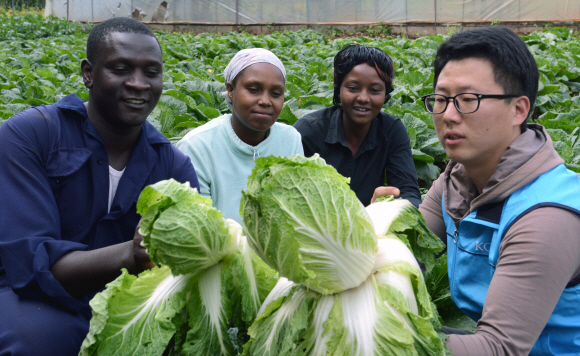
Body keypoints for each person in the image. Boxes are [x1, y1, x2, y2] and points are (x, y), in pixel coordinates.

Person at [373, 27, 580, 355]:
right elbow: (405, 248)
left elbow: (499, 348)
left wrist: (362, 339)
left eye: (468, 100)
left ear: (519, 109)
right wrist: (377, 229)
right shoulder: (455, 179)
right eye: (440, 100)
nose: (449, 115)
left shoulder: (547, 217)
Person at [0, 18, 199, 355]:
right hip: (25, 296)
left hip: (130, 302)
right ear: (88, 73)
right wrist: (132, 254)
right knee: (41, 336)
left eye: (151, 72)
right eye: (121, 69)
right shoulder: (32, 135)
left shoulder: (173, 165)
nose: (138, 84)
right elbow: (30, 264)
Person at [176, 48, 303, 224]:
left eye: (275, 94)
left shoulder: (290, 139)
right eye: (253, 89)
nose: (265, 101)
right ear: (230, 89)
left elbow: (295, 212)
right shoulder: (197, 147)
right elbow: (198, 227)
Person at [293, 44, 421, 207]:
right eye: (353, 88)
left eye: (375, 90)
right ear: (338, 90)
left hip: (371, 225)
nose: (363, 98)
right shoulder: (308, 131)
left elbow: (408, 191)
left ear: (386, 95)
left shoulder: (392, 130)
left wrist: (392, 208)